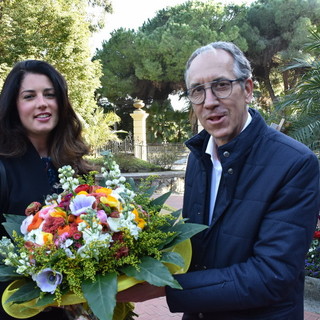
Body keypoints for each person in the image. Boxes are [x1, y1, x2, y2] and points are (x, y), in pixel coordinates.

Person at [117, 42, 320, 319]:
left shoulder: (295, 163)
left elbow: (272, 275)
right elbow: (196, 248)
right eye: (197, 91)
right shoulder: (198, 158)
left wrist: (165, 288)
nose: (209, 101)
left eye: (221, 85)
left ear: (247, 89)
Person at [0, 60, 92, 320]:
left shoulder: (76, 165)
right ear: (13, 106)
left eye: (50, 95)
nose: (42, 103)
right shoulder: (3, 167)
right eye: (29, 96)